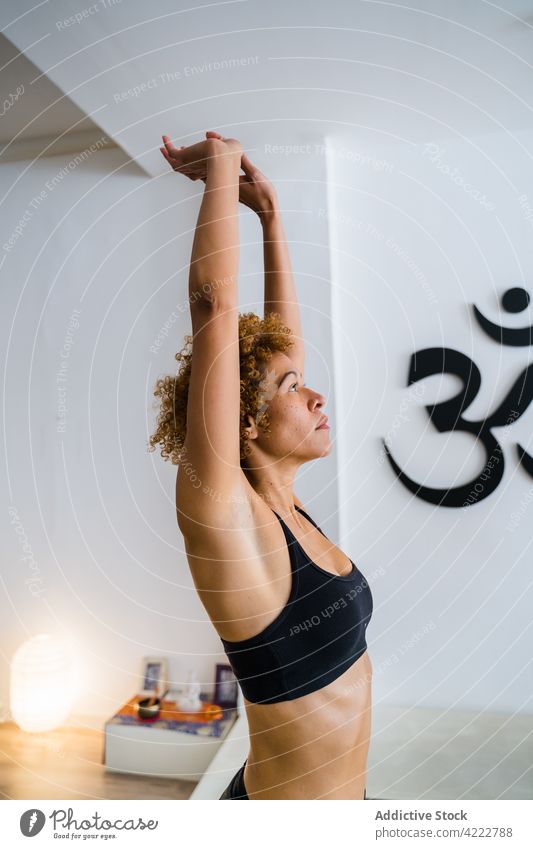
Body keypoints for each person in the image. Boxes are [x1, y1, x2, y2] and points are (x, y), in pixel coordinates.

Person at [149, 131, 373, 800]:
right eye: (290, 389)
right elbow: (214, 308)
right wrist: (221, 167)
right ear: (243, 423)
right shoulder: (225, 517)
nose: (315, 393)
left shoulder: (287, 506)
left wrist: (270, 212)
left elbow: (284, 345)